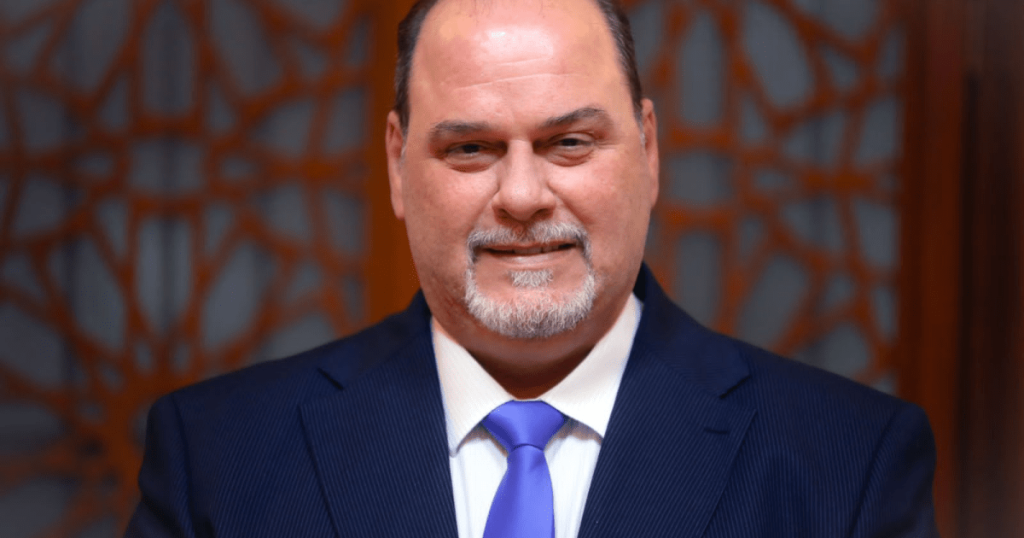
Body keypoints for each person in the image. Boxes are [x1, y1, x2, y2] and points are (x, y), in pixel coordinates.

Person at [125, 0, 938, 536]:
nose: (521, 196)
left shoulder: (849, 469)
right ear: (398, 165)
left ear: (648, 150)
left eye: (569, 142)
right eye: (470, 148)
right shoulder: (219, 459)